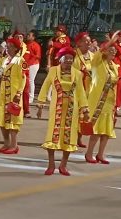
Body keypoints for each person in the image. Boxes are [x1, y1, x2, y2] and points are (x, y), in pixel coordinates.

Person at [36, 46, 89, 176]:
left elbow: (81, 92)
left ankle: (63, 165)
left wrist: (85, 109)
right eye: (66, 58)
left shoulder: (77, 73)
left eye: (71, 58)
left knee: (69, 137)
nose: (69, 61)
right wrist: (41, 104)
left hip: (72, 109)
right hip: (56, 108)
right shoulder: (53, 71)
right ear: (60, 59)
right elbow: (45, 86)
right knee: (52, 136)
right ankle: (51, 164)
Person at [84, 34, 121, 164]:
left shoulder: (114, 66)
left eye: (114, 51)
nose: (112, 52)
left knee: (106, 131)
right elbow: (100, 52)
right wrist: (110, 41)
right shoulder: (98, 62)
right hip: (98, 99)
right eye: (110, 50)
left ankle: (100, 154)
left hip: (109, 101)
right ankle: (89, 153)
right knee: (96, 130)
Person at [73, 32, 93, 148]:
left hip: (90, 90)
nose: (89, 43)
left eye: (89, 41)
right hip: (78, 90)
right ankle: (72, 137)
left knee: (85, 115)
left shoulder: (93, 56)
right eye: (86, 41)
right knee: (76, 115)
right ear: (79, 43)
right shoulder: (74, 56)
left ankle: (79, 138)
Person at [25, 30, 42, 106]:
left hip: (33, 65)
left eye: (29, 35)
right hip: (26, 65)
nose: (28, 36)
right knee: (26, 80)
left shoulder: (35, 45)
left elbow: (37, 56)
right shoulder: (26, 44)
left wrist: (29, 63)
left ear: (33, 37)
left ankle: (31, 97)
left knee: (31, 80)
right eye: (28, 34)